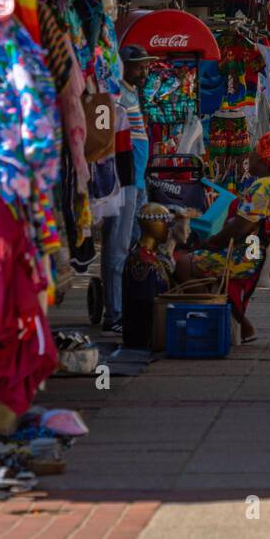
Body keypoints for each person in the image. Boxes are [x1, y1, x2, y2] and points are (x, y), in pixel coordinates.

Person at [175, 132, 270, 343]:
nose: (248, 158)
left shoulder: (263, 187)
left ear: (264, 159)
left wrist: (211, 242)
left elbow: (240, 229)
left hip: (251, 259)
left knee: (183, 264)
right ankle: (233, 323)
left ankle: (225, 323)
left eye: (253, 153)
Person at [100, 44, 153, 334]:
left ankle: (125, 305)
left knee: (133, 245)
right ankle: (115, 313)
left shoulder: (131, 93)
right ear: (124, 66)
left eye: (145, 66)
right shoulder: (114, 94)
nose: (143, 70)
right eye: (138, 66)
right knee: (117, 246)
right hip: (123, 180)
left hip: (138, 180)